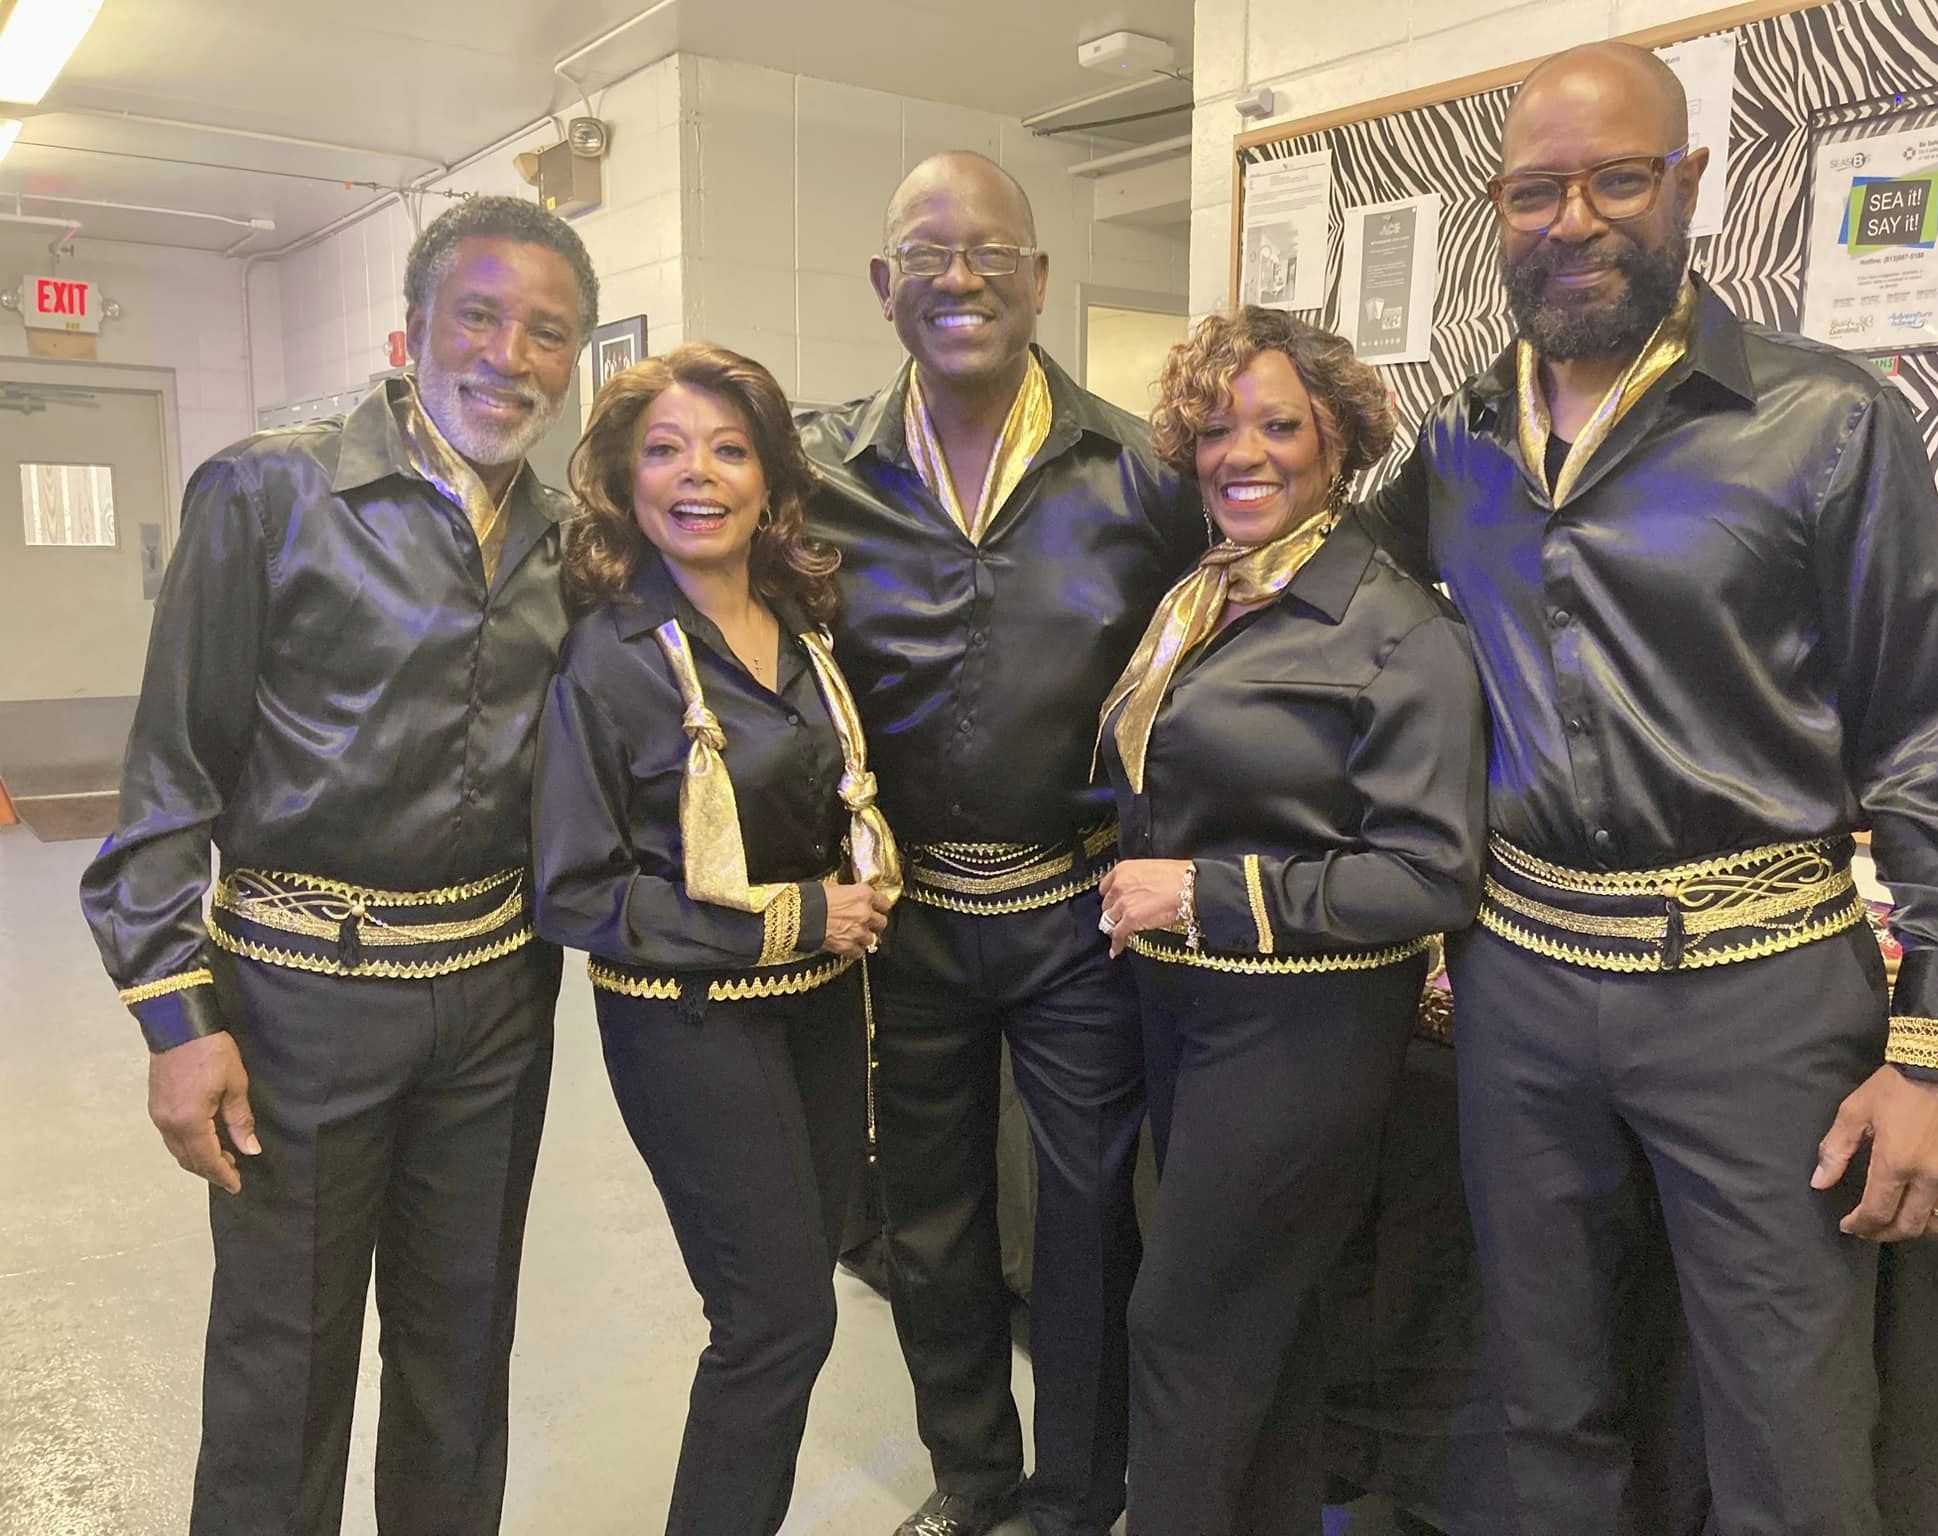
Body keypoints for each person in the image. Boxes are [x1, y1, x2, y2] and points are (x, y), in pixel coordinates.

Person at [1365, 42, 1938, 1535]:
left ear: (1687, 183)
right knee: (1544, 1402)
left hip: (1761, 995)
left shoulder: (1827, 420)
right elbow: (1348, 620)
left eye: (1615, 179)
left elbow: (1926, 733)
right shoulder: (1457, 440)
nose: (1573, 220)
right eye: (1536, 190)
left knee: (1789, 1431)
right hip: (1517, 984)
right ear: (1496, 207)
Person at [78, 195, 596, 1536]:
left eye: (547, 332)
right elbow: (170, 773)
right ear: (408, 331)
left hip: (496, 1004)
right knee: (282, 1364)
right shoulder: (269, 492)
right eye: (478, 317)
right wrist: (177, 1018)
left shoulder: (568, 536)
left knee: (462, 1353)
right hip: (296, 1001)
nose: (510, 356)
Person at [799, 150, 1204, 1536]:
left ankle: (1078, 1500)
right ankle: (973, 1480)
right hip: (904, 919)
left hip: (1074, 919)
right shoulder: (817, 473)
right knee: (928, 1217)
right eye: (925, 253)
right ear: (883, 283)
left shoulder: (1143, 474)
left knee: (1087, 1221)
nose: (957, 277)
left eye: (988, 253)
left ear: (1037, 277)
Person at [1096, 306, 1488, 1534]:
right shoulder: (1208, 592)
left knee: (1180, 1330)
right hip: (1184, 1007)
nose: (1242, 455)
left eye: (1278, 426)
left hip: (1302, 1028)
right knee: (1267, 1330)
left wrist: (1198, 893)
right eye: (1216, 429)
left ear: (1337, 441)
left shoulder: (1396, 627)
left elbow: (1430, 875)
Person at [531, 342, 899, 1534]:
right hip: (688, 1022)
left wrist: (856, 878)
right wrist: (798, 917)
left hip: (820, 1009)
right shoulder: (609, 657)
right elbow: (576, 892)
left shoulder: (799, 625)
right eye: (665, 451)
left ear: (770, 480)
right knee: (771, 1321)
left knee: (799, 1307)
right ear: (622, 480)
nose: (698, 474)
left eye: (728, 450)